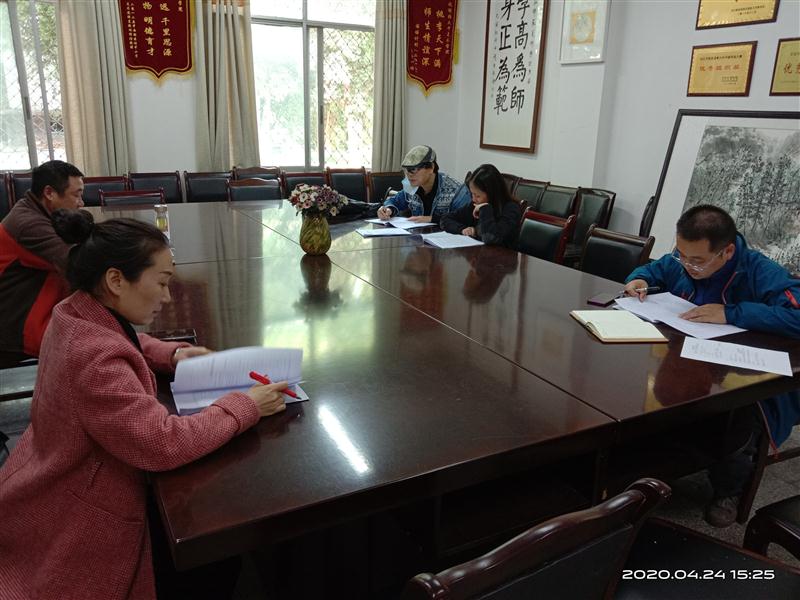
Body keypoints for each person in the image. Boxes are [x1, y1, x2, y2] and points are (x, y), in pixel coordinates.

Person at [0, 210, 288, 600]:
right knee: (213, 551)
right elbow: (161, 442)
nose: (168, 297)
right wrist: (246, 405)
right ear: (116, 280)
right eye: (162, 282)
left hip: (46, 472)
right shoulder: (93, 358)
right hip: (80, 512)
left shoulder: (73, 310)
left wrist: (171, 354)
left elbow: (119, 339)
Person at [623, 204, 800, 527]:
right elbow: (656, 269)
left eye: (697, 261)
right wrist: (638, 280)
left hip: (745, 372)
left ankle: (728, 490)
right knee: (655, 398)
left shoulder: (758, 270)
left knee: (737, 415)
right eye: (682, 255)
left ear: (727, 251)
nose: (687, 266)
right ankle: (657, 467)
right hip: (690, 360)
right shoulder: (683, 260)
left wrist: (732, 312)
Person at [0, 160, 85, 364]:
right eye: (76, 195)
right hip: (18, 330)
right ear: (49, 193)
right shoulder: (28, 224)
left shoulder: (38, 211)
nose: (81, 203)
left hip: (43, 309)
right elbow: (78, 262)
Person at [376, 145, 469, 223]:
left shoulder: (456, 191)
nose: (408, 174)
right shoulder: (411, 186)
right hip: (419, 237)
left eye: (414, 169)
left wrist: (432, 219)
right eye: (406, 170)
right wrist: (388, 209)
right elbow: (395, 201)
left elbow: (464, 219)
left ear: (431, 167)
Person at [439, 163, 522, 248]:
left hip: (503, 255)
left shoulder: (511, 209)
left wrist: (485, 208)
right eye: (472, 194)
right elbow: (445, 219)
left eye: (478, 196)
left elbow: (490, 238)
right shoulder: (475, 204)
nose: (473, 199)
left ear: (492, 193)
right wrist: (462, 229)